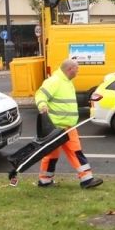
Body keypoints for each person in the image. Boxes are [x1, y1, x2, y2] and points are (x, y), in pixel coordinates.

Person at [35, 59, 103, 189]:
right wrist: (42, 105)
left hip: (69, 127)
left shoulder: (67, 82)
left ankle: (87, 180)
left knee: (76, 152)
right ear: (69, 69)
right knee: (52, 155)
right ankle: (44, 181)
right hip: (56, 127)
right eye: (77, 69)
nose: (78, 71)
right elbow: (40, 95)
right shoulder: (54, 81)